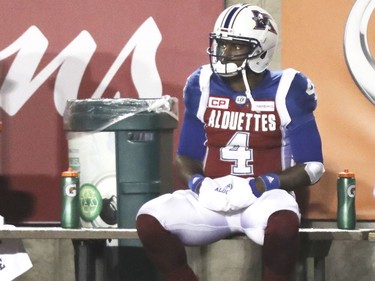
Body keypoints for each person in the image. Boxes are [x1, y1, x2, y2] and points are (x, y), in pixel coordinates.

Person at [136, 4, 324, 281]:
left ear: (261, 49)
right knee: (149, 219)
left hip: (263, 197)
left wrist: (263, 184)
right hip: (213, 195)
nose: (223, 53)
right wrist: (198, 183)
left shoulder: (288, 89)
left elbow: (312, 166)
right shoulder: (201, 84)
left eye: (235, 46)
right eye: (221, 44)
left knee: (283, 224)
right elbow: (186, 155)